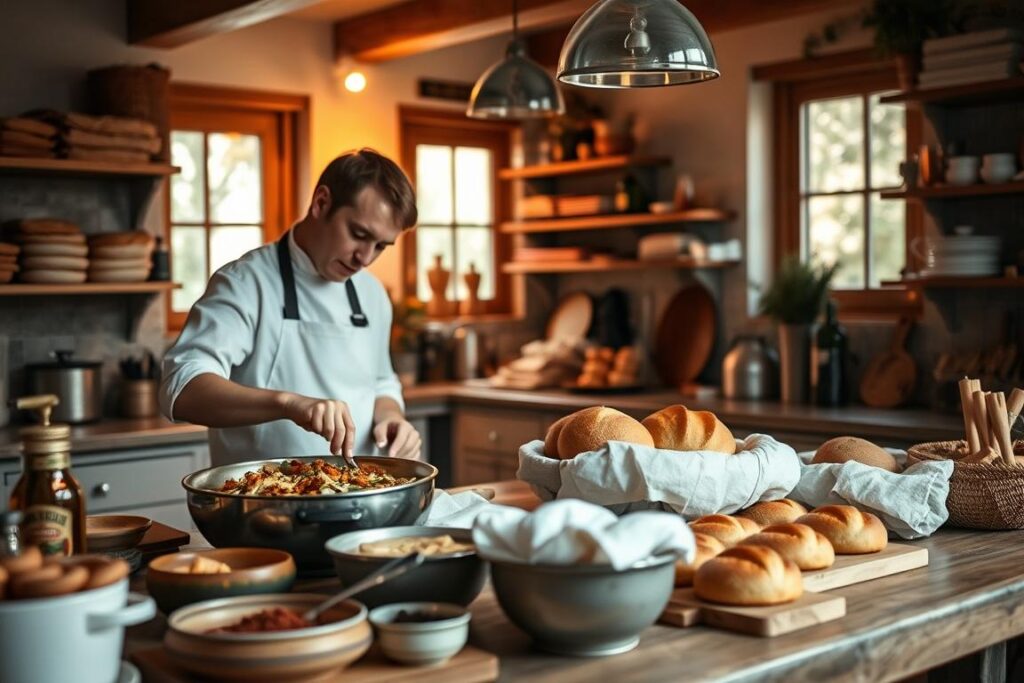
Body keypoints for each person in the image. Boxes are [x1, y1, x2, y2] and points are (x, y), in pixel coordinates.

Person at [160, 149, 422, 466]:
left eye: (380, 246)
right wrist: (288, 403)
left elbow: (381, 381)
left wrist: (392, 417)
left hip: (360, 496)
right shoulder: (246, 282)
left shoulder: (372, 294)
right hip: (264, 504)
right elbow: (182, 388)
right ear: (321, 203)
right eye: (358, 234)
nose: (365, 258)